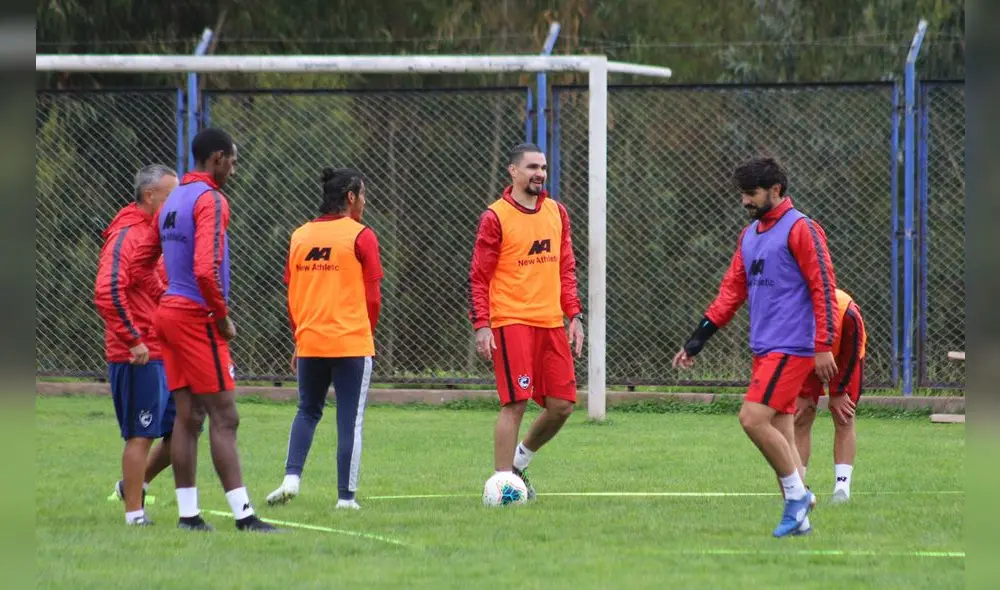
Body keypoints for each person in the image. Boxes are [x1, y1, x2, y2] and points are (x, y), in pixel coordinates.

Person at [672, 156, 840, 537]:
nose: (745, 201)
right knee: (780, 427)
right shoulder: (749, 236)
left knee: (752, 418)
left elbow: (823, 287)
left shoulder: (802, 229)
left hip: (791, 347)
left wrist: (824, 345)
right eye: (743, 194)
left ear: (776, 190)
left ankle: (797, 497)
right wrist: (696, 341)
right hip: (764, 348)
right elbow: (730, 293)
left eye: (752, 194)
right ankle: (801, 516)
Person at [154, 127, 276, 533]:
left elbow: (151, 259)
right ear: (218, 158)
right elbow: (206, 268)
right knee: (226, 417)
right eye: (234, 161)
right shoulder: (211, 200)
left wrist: (165, 297)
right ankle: (244, 516)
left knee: (187, 417)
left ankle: (189, 516)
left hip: (169, 311)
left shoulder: (173, 198)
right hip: (196, 316)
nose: (235, 169)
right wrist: (221, 315)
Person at [468, 143, 585, 499]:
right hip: (511, 321)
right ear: (513, 172)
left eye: (544, 167)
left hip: (550, 323)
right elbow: (479, 276)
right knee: (515, 403)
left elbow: (566, 268)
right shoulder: (495, 216)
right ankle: (503, 486)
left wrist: (574, 315)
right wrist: (482, 325)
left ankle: (519, 463)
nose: (539, 174)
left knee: (562, 405)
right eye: (532, 167)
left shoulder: (557, 213)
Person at [265, 168, 383, 510]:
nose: (365, 200)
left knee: (307, 410)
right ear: (350, 197)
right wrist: (366, 334)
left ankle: (291, 479)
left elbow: (292, 295)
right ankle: (346, 499)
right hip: (351, 344)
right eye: (363, 194)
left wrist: (298, 339)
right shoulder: (362, 236)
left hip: (311, 342)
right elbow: (373, 297)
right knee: (349, 420)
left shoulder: (299, 236)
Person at [94, 164, 178, 526]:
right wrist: (134, 339)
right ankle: (134, 514)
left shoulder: (153, 232)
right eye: (170, 195)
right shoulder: (127, 234)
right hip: (138, 355)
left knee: (183, 432)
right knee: (141, 434)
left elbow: (152, 281)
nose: (176, 203)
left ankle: (133, 484)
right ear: (150, 196)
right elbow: (106, 291)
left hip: (165, 350)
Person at [795, 288, 866, 504]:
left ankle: (842, 488)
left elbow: (852, 350)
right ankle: (797, 489)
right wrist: (804, 393)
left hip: (845, 356)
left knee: (843, 415)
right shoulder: (793, 305)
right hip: (805, 356)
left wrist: (839, 391)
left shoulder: (848, 311)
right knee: (800, 416)